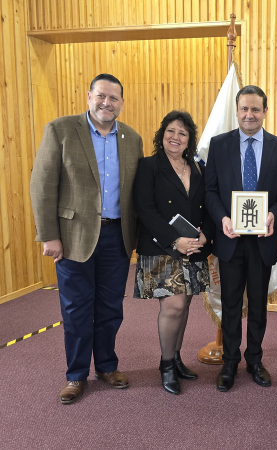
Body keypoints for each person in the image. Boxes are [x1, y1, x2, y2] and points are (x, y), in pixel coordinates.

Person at [30, 74, 144, 404]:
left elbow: (135, 192)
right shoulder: (61, 130)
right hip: (71, 238)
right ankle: (76, 374)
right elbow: (42, 186)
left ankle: (107, 366)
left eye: (114, 98)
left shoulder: (131, 139)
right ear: (89, 97)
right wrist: (49, 236)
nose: (107, 102)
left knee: (110, 308)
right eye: (101, 96)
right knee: (77, 309)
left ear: (122, 103)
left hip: (117, 237)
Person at [204, 85, 277, 392]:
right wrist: (223, 219)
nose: (249, 114)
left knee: (257, 304)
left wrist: (274, 215)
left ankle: (254, 360)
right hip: (229, 239)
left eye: (256, 109)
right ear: (237, 109)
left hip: (263, 240)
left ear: (265, 111)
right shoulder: (219, 145)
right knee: (231, 304)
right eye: (244, 108)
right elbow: (211, 191)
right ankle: (230, 361)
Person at [132, 110, 215, 395]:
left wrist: (206, 234)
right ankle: (166, 364)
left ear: (189, 139)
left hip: (193, 248)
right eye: (171, 131)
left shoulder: (198, 168)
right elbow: (145, 210)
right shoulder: (149, 166)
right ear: (162, 134)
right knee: (174, 306)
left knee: (185, 306)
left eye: (182, 132)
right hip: (160, 248)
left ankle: (176, 358)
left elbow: (206, 206)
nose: (175, 137)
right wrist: (173, 241)